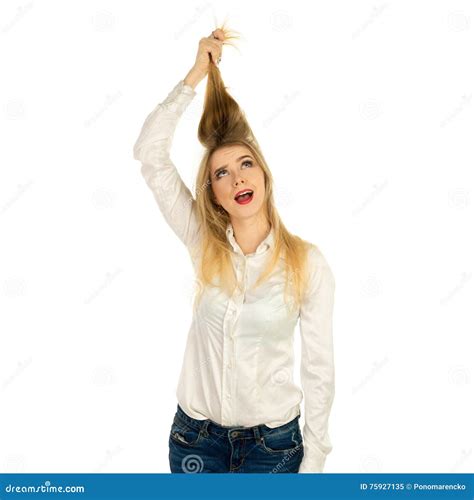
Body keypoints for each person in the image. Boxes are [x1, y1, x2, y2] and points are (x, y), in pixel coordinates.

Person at [133, 24, 336, 473]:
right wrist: (194, 77)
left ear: (264, 175)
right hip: (195, 442)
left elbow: (319, 370)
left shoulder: (307, 263)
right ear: (215, 194)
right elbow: (149, 152)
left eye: (246, 164)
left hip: (274, 449)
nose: (238, 177)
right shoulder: (201, 241)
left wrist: (315, 459)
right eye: (222, 173)